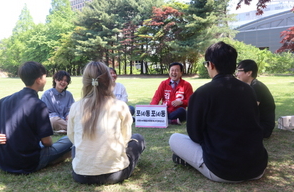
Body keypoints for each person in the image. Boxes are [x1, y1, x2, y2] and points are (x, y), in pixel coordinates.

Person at [169, 42, 268, 182]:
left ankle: (194, 162)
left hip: (222, 170)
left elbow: (195, 135)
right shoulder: (249, 90)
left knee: (174, 138)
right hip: (257, 167)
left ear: (211, 65)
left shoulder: (203, 93)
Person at [67, 61, 145, 185]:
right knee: (138, 139)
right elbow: (126, 139)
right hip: (115, 173)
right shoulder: (120, 106)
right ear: (109, 81)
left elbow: (72, 138)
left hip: (81, 175)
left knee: (76, 147)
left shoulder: (75, 107)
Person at [0, 61, 72, 174]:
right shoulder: (38, 105)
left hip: (3, 161)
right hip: (28, 162)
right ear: (39, 80)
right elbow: (47, 143)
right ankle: (59, 157)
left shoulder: (5, 100)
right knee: (70, 139)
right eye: (45, 77)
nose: (45, 80)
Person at [236, 59, 276, 138]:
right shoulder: (250, 86)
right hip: (257, 124)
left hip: (263, 128)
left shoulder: (256, 87)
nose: (237, 74)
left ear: (249, 73)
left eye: (239, 71)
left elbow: (250, 110)